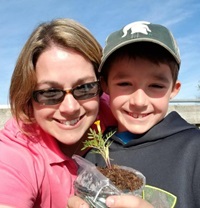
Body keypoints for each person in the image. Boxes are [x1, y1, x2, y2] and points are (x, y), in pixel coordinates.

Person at [0, 18, 152, 208]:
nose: (70, 107)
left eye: (85, 87)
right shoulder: (15, 151)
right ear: (27, 96)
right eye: (49, 92)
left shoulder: (111, 110)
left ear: (101, 85)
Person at [80, 21, 200, 208]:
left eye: (156, 86)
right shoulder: (94, 154)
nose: (139, 101)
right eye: (125, 84)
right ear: (105, 86)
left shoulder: (194, 150)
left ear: (174, 89)